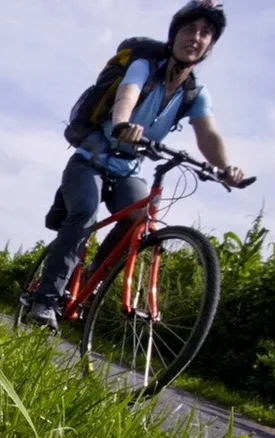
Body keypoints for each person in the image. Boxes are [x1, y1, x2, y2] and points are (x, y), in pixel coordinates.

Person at [25, 0, 247, 331]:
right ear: (173, 36)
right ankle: (45, 299)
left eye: (206, 33)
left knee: (140, 221)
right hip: (91, 158)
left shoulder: (194, 94)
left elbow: (208, 133)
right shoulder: (145, 66)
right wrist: (123, 124)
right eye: (189, 29)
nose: (196, 37)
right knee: (84, 212)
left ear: (210, 47)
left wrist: (227, 167)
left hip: (129, 167)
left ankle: (91, 282)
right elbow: (127, 93)